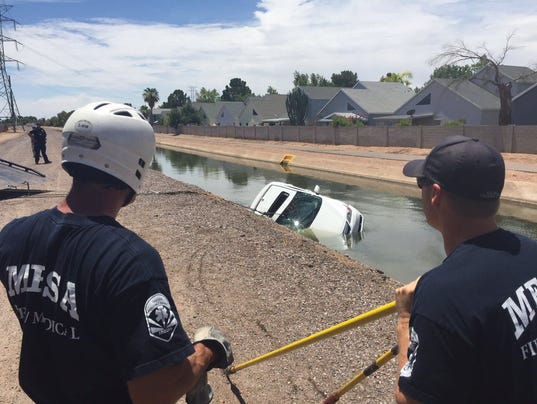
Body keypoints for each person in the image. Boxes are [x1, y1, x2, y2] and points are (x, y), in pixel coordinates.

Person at [0, 102, 233, 404]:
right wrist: (206, 352)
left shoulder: (13, 235)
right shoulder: (131, 261)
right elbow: (155, 393)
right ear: (134, 167)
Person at [394, 135, 537, 403]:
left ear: (435, 195)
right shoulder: (532, 251)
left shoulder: (441, 295)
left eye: (420, 184)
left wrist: (405, 319)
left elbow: (409, 399)